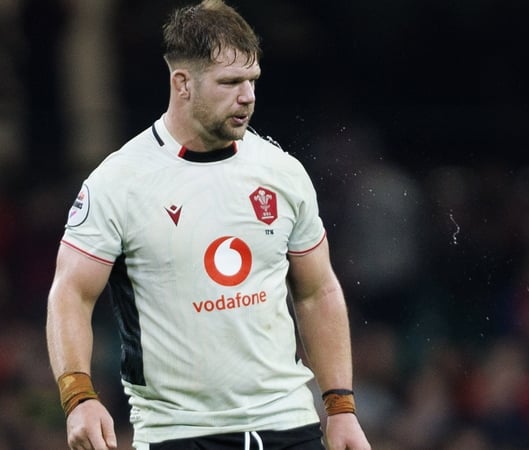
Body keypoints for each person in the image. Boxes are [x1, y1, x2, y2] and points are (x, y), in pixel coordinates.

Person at [45, 1, 371, 449]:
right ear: (183, 83)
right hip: (178, 433)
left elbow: (318, 291)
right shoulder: (118, 183)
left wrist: (340, 408)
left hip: (288, 425)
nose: (248, 96)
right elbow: (71, 294)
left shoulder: (282, 172)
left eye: (252, 80)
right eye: (230, 82)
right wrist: (78, 396)